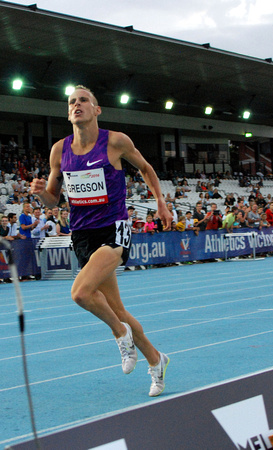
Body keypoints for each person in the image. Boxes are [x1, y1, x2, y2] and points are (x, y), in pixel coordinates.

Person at [30, 85, 172, 397]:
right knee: (116, 308)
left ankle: (121, 336)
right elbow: (53, 202)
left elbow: (146, 169)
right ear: (68, 113)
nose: (76, 105)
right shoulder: (59, 150)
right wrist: (41, 192)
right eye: (72, 102)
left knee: (80, 293)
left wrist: (160, 202)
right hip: (82, 234)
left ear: (97, 110)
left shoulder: (115, 141)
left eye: (83, 101)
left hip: (114, 229)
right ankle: (156, 359)